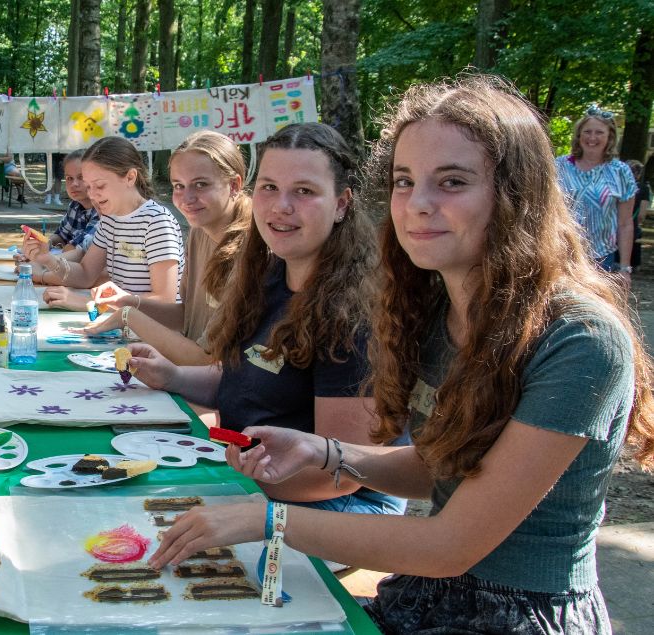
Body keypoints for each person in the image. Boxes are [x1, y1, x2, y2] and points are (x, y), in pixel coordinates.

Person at [150, 77, 654, 633]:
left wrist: (268, 518)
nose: (418, 204)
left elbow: (450, 544)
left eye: (452, 182)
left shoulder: (580, 339)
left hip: (518, 615)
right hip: (428, 595)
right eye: (404, 180)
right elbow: (445, 468)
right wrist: (328, 452)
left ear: (516, 194)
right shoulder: (433, 307)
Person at [127, 123, 404, 516]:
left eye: (304, 191)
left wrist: (229, 480)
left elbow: (341, 474)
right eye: (270, 187)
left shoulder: (353, 314)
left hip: (337, 503)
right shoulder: (268, 275)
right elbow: (246, 376)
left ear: (342, 203)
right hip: (249, 468)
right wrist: (171, 375)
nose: (281, 206)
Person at [79, 131, 251, 365]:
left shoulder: (248, 249)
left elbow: (206, 360)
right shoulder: (199, 233)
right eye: (179, 185)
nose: (186, 197)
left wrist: (131, 316)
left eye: (200, 184)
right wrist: (126, 306)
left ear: (234, 185)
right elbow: (185, 316)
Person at [22, 136, 185, 311]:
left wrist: (92, 304)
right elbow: (86, 274)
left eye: (99, 186)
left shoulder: (157, 222)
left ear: (130, 177)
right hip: (126, 324)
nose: (92, 195)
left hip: (155, 330)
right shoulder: (109, 220)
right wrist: (49, 260)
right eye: (89, 187)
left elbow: (164, 300)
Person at [555, 105, 637, 274]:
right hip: (562, 254)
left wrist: (624, 267)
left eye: (599, 132)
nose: (592, 137)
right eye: (587, 131)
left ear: (610, 137)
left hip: (603, 259)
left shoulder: (620, 171)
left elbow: (625, 223)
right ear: (579, 135)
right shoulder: (559, 166)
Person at [46, 150, 100, 262]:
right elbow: (60, 236)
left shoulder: (103, 209)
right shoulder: (75, 205)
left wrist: (42, 260)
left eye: (81, 177)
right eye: (69, 178)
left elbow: (75, 250)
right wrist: (47, 243)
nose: (74, 184)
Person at [627, 159, 649, 271]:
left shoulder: (619, 186)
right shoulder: (644, 189)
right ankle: (633, 265)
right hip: (633, 224)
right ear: (639, 174)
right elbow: (642, 214)